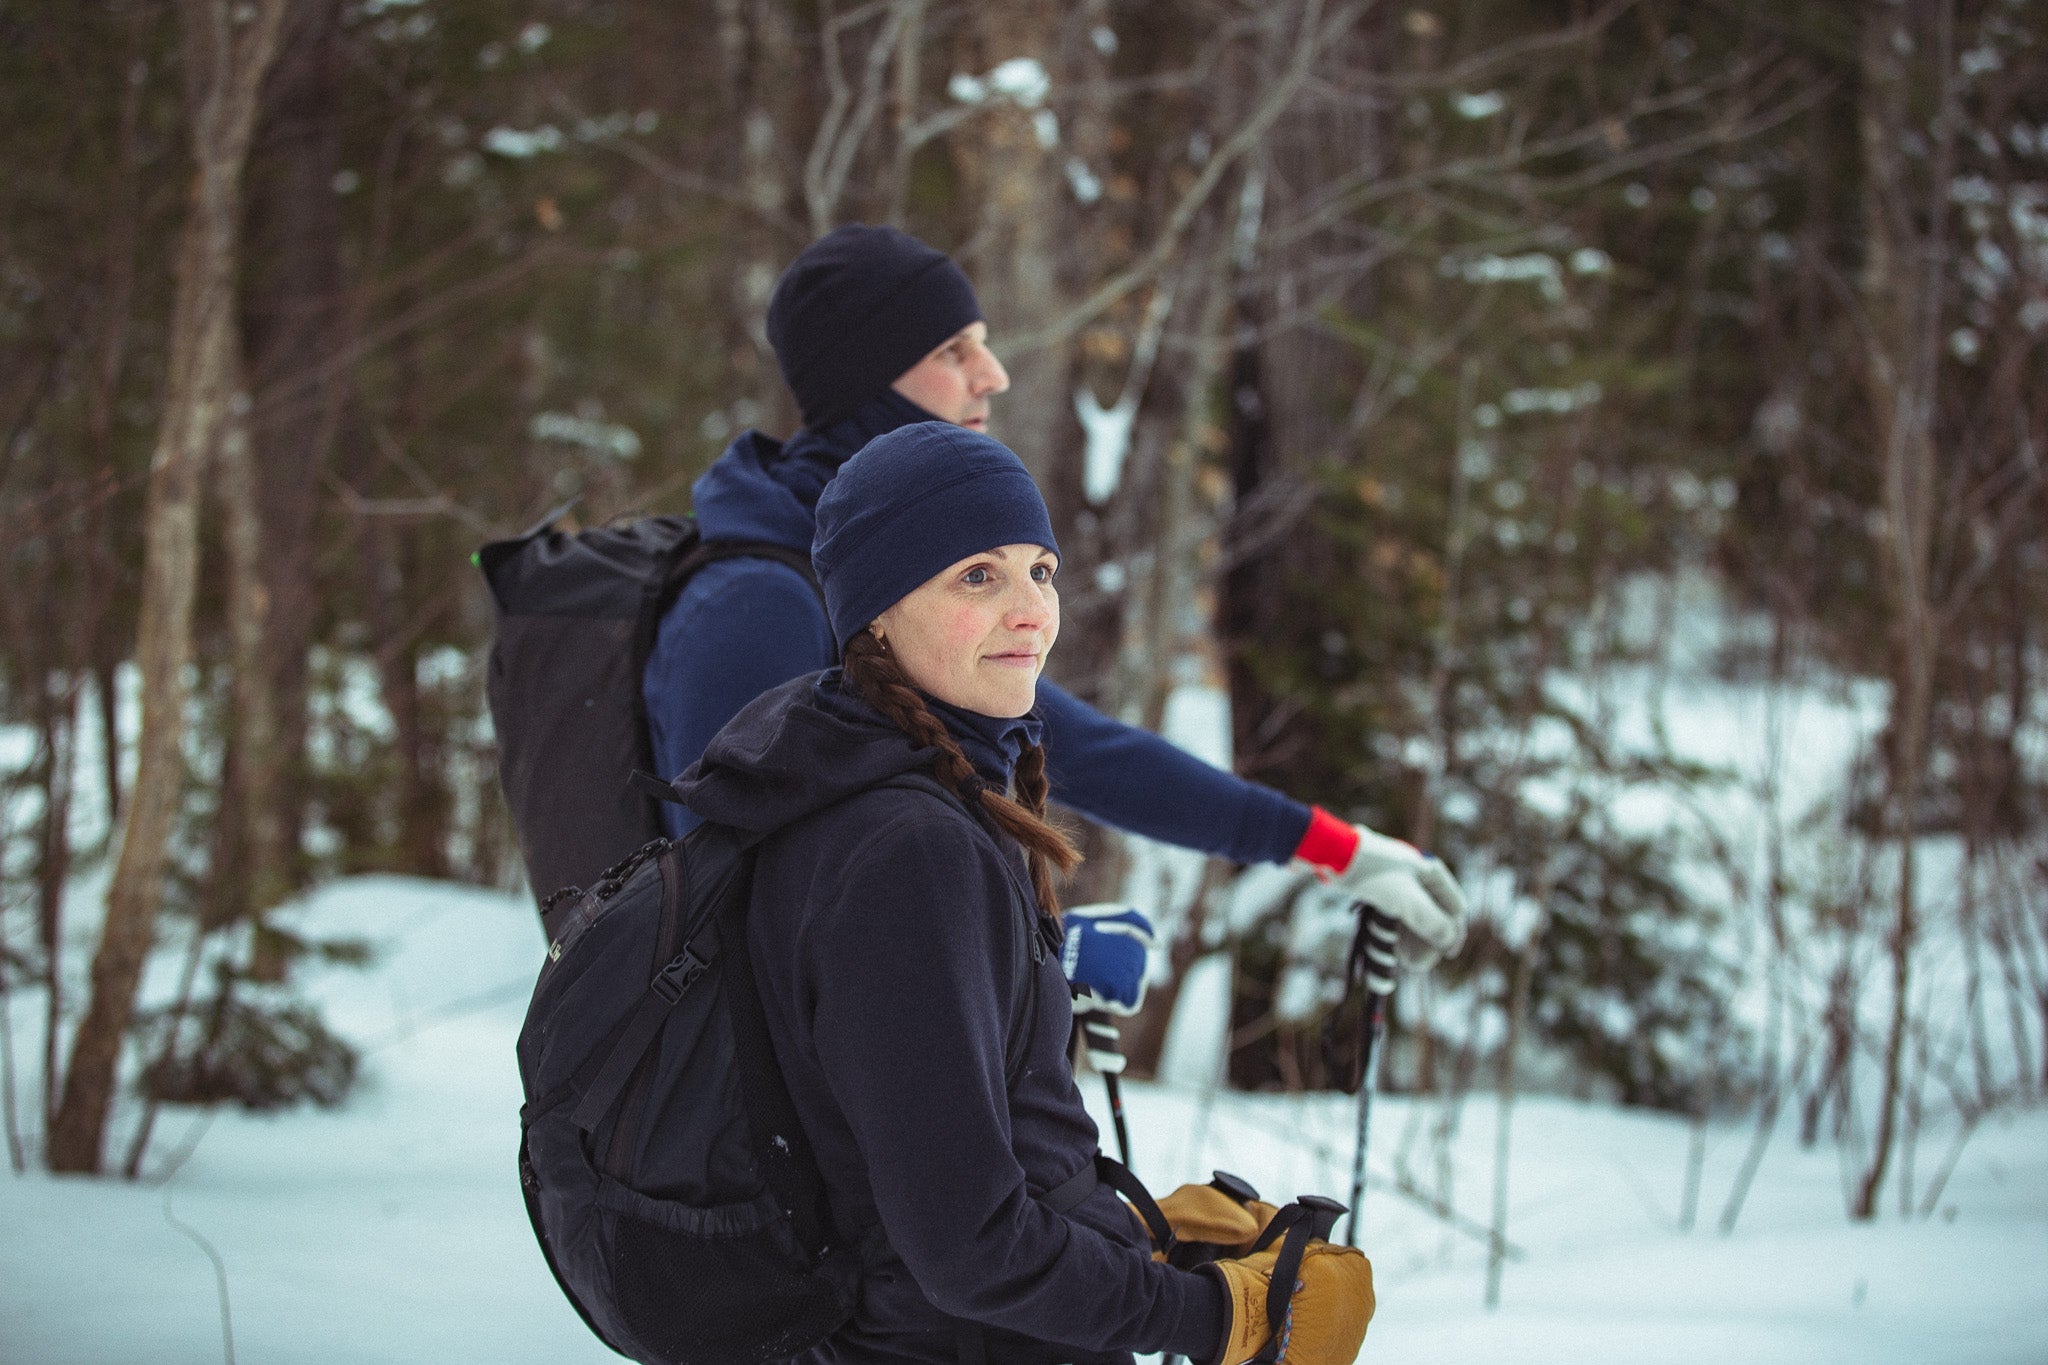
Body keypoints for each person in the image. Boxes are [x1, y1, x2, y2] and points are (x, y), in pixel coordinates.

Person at [673, 422, 1373, 1364]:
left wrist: (1142, 1232)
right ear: (875, 612)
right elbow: (968, 1250)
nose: (1031, 611)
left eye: (1039, 570)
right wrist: (1219, 1316)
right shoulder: (905, 848)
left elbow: (923, 1163)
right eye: (977, 576)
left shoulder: (874, 784)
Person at [645, 223, 1467, 1000]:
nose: (992, 374)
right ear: (866, 380)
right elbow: (737, 923)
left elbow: (1090, 751)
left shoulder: (888, 565)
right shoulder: (757, 604)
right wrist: (1021, 961)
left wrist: (1338, 849)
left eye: (983, 342)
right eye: (952, 350)